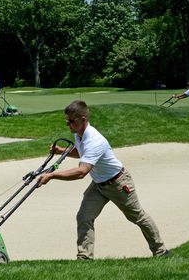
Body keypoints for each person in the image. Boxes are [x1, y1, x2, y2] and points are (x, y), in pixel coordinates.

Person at [38, 100, 169, 260]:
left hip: (118, 183)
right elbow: (82, 152)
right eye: (67, 121)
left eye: (71, 121)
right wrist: (61, 151)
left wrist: (51, 176)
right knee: (84, 216)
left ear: (83, 119)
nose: (68, 125)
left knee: (137, 217)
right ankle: (84, 258)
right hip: (99, 185)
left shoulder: (94, 140)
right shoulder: (78, 134)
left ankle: (161, 251)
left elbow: (81, 172)